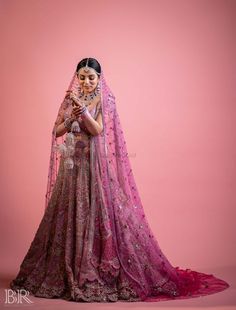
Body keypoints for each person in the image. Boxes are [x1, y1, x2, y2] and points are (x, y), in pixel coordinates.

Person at [10, 57, 230, 302]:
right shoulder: (69, 99)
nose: (86, 82)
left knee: (101, 211)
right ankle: (66, 265)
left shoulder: (106, 100)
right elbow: (57, 131)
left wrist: (82, 113)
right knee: (68, 212)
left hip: (95, 165)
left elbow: (97, 130)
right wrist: (70, 117)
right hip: (72, 167)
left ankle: (95, 266)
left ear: (99, 79)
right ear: (76, 77)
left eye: (91, 77)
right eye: (81, 77)